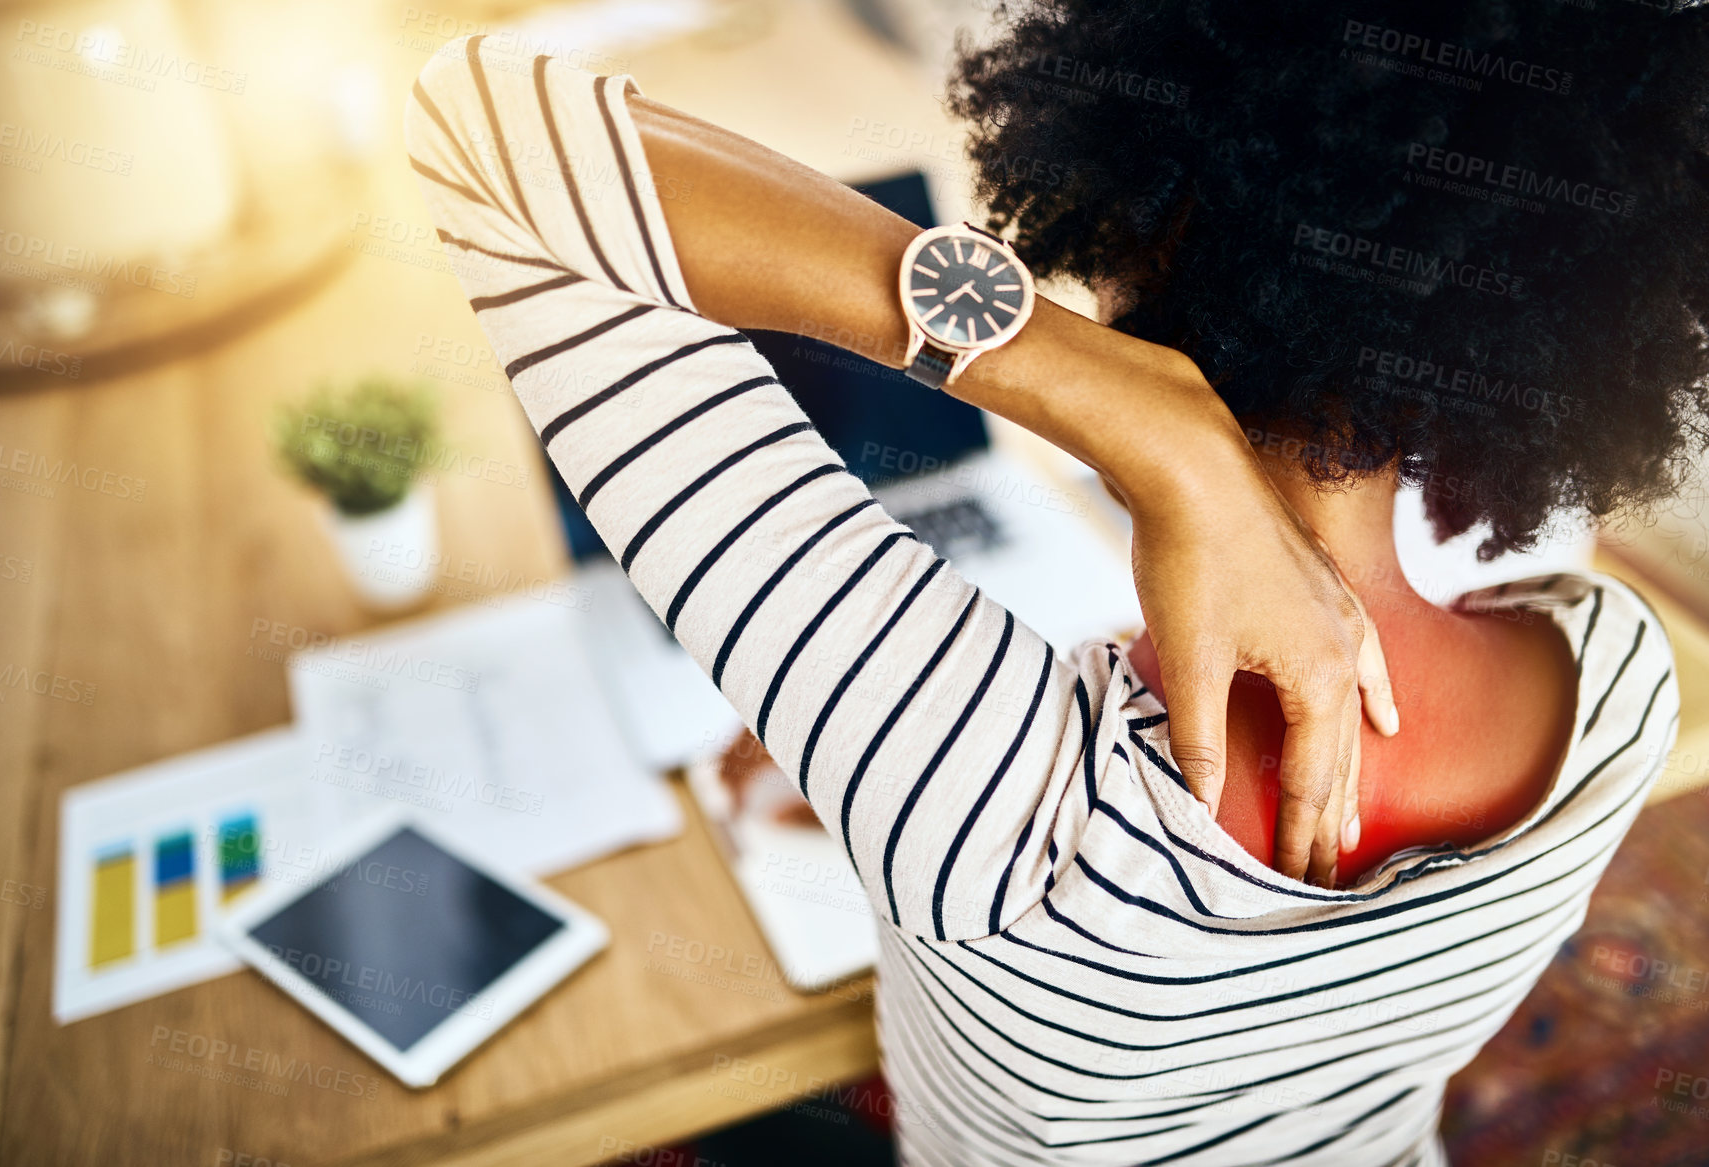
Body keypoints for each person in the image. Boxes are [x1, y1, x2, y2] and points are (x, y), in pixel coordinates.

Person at [405, 0, 1700, 1158]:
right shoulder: (1620, 681)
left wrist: (1134, 415)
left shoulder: (975, 799)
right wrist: (872, 740)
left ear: (1139, 197)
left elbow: (477, 129)